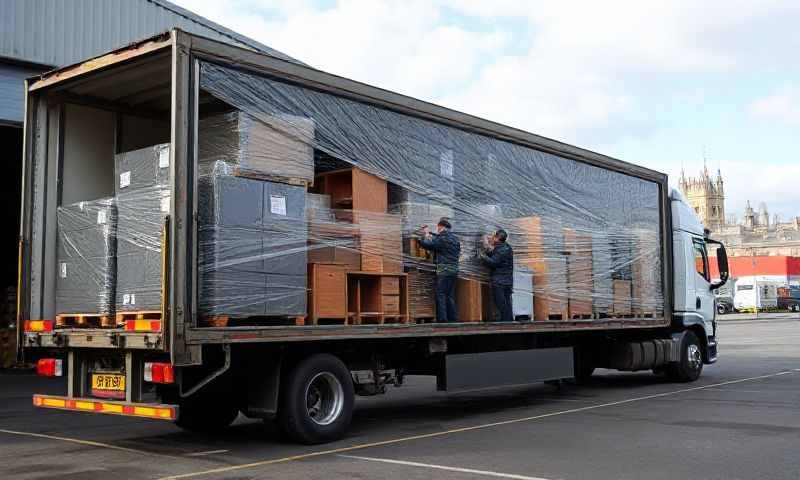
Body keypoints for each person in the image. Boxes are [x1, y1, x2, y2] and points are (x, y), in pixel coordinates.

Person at [418, 218, 461, 323]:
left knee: (440, 293)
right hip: (454, 269)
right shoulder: (455, 239)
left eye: (438, 228)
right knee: (449, 294)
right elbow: (439, 242)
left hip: (444, 269)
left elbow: (429, 245)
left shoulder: (442, 239)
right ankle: (453, 318)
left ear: (440, 227)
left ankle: (442, 319)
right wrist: (430, 234)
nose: (437, 230)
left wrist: (423, 237)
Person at [480, 229, 515, 322]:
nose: (492, 237)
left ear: (497, 238)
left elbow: (493, 262)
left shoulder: (501, 250)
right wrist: (487, 247)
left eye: (493, 236)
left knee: (500, 302)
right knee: (507, 302)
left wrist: (482, 257)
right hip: (507, 280)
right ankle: (509, 321)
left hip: (499, 281)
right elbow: (494, 254)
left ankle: (504, 322)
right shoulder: (506, 247)